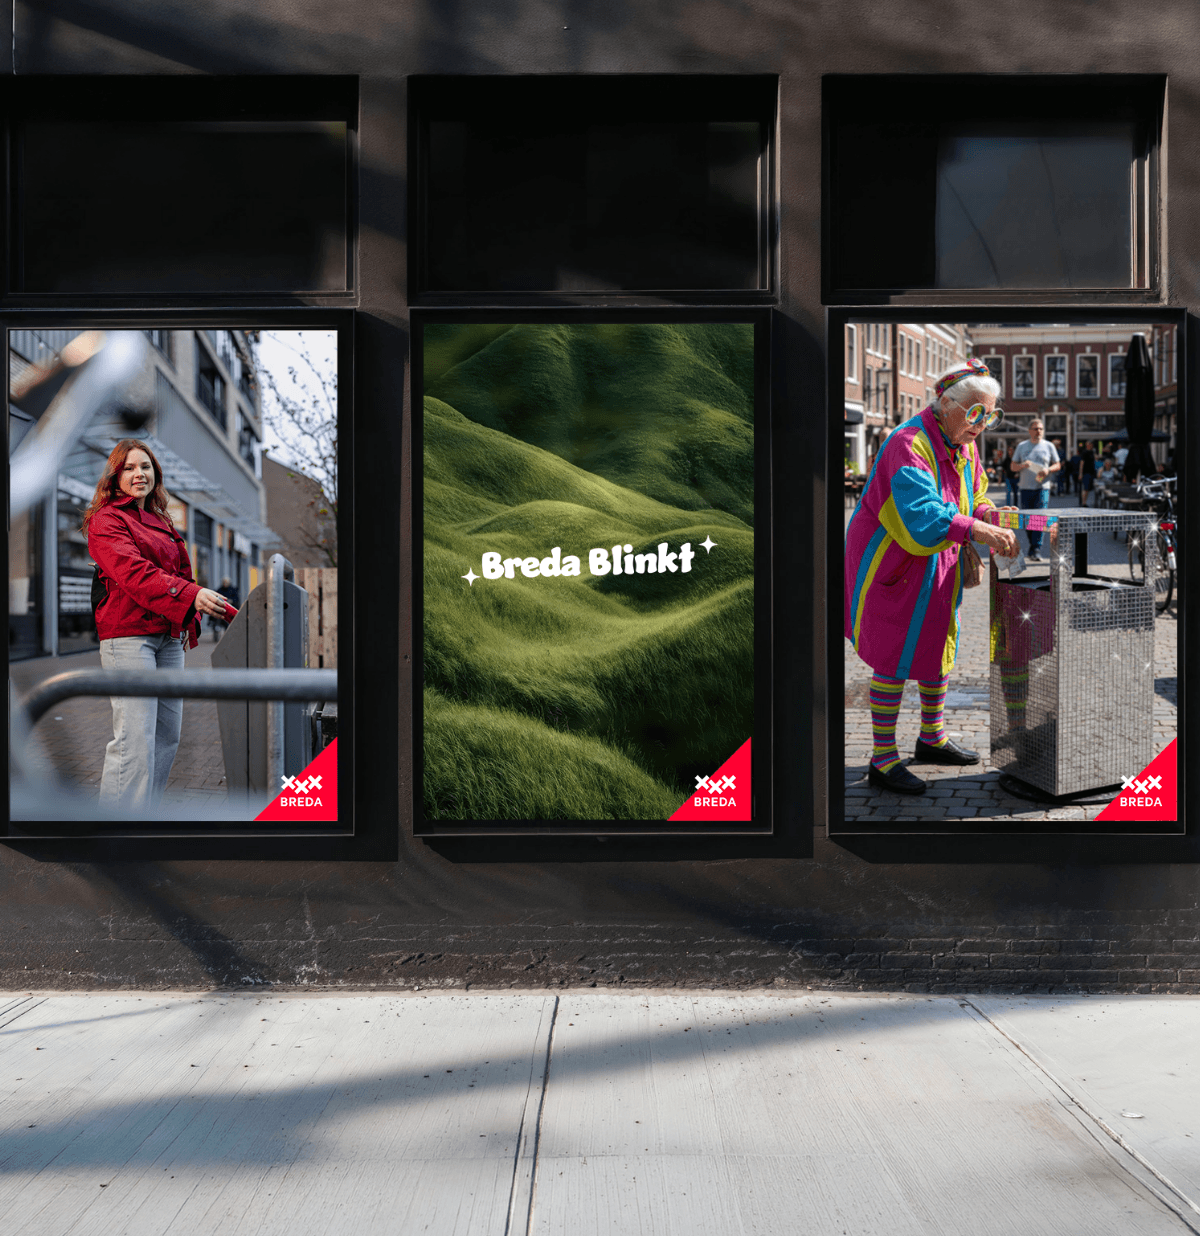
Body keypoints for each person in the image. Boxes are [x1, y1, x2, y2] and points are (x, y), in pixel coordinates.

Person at [845, 358, 1019, 795]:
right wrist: (976, 529)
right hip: (895, 563)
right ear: (946, 404)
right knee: (893, 655)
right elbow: (921, 515)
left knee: (938, 642)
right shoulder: (908, 442)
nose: (983, 424)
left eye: (991, 414)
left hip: (938, 563)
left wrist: (991, 514)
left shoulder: (966, 444)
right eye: (976, 412)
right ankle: (883, 760)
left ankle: (932, 737)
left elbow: (974, 495)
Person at [83, 439, 231, 810]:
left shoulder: (162, 521)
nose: (139, 474)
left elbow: (180, 570)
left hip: (167, 635)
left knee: (166, 735)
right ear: (115, 476)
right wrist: (190, 594)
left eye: (145, 467)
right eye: (130, 468)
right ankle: (116, 831)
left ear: (155, 474)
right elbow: (134, 573)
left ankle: (145, 817)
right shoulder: (107, 520)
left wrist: (189, 611)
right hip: (129, 636)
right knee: (134, 738)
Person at [1010, 418, 1060, 559]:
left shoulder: (1049, 446)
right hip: (1025, 488)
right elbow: (1013, 467)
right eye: (1036, 429)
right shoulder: (1022, 446)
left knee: (1039, 518)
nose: (1038, 431)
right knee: (1027, 519)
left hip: (1042, 487)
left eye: (1041, 429)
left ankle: (1036, 548)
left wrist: (1048, 470)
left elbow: (1058, 465)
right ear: (1029, 431)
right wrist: (1022, 466)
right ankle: (1033, 546)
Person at [1078, 440, 1097, 506]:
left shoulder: (1092, 452)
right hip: (1086, 472)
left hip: (1091, 472)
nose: (1091, 446)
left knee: (1088, 488)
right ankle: (1083, 502)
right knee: (1085, 488)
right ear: (1087, 445)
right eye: (1090, 444)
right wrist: (1080, 473)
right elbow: (1082, 463)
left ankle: (1085, 501)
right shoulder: (1084, 452)